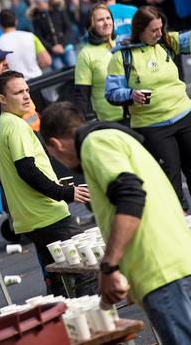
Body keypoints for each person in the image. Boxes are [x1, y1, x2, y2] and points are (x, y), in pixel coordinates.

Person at [40, 102, 191, 345]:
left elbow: (130, 196)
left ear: (55, 145)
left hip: (160, 270)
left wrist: (109, 266)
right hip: (175, 260)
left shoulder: (94, 145)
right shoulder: (112, 137)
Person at [0, 71, 90, 294]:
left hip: (30, 218)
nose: (26, 96)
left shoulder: (2, 127)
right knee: (86, 271)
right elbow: (27, 170)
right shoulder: (16, 126)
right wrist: (64, 192)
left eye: (26, 90)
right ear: (2, 99)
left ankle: (65, 324)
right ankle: (96, 326)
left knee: (59, 281)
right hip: (47, 215)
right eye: (18, 92)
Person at [105, 6, 191, 210]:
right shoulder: (122, 57)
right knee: (170, 178)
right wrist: (131, 95)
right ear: (140, 30)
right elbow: (111, 93)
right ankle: (181, 223)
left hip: (184, 115)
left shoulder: (167, 42)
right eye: (154, 30)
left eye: (161, 28)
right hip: (153, 127)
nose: (159, 33)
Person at [74, 4, 124, 123]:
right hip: (112, 122)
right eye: (101, 20)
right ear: (91, 25)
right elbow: (81, 96)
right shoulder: (86, 54)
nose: (106, 23)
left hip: (140, 116)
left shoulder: (123, 43)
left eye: (108, 18)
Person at [0, 9, 51, 79]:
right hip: (37, 79)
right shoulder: (30, 36)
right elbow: (46, 60)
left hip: (17, 86)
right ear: (16, 22)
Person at [29, 0, 74, 70]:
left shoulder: (58, 11)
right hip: (52, 51)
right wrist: (52, 48)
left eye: (39, 3)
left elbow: (68, 28)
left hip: (66, 47)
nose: (37, 5)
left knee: (73, 69)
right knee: (59, 74)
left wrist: (62, 45)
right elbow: (39, 37)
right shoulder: (36, 18)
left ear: (46, 2)